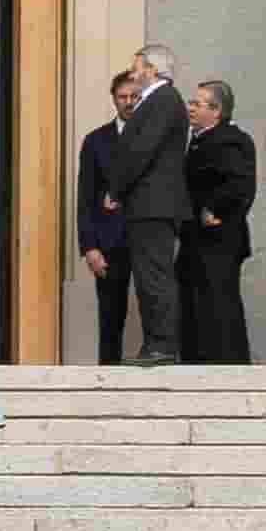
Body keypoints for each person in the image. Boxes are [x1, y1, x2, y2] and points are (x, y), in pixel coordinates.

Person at [94, 44, 196, 367]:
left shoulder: (162, 100)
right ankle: (157, 343)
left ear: (152, 69)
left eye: (137, 67)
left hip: (154, 206)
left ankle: (162, 345)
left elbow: (140, 151)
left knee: (154, 276)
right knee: (150, 275)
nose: (134, 73)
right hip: (150, 206)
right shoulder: (158, 101)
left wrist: (117, 189)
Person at [185, 74, 261, 365]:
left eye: (197, 103)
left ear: (216, 111)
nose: (190, 108)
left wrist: (213, 209)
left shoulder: (232, 140)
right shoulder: (197, 141)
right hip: (198, 240)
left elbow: (240, 185)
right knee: (198, 304)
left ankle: (228, 365)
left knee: (220, 304)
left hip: (219, 239)